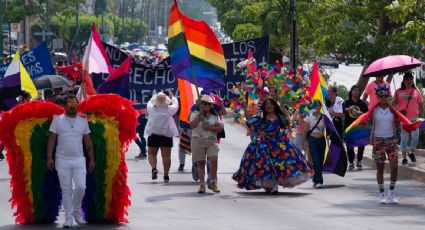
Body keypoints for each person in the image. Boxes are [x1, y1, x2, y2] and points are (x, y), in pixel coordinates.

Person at [233, 98, 312, 194]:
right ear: (264, 107)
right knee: (265, 164)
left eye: (271, 104)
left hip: (279, 143)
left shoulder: (280, 116)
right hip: (265, 143)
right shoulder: (261, 116)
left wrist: (284, 111)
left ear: (274, 106)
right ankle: (270, 185)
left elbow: (288, 123)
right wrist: (259, 132)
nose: (269, 106)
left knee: (283, 163)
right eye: (267, 104)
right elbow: (249, 122)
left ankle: (273, 184)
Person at [46, 94, 95, 228]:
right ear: (65, 106)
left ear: (77, 105)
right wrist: (50, 157)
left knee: (81, 187)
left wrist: (92, 159)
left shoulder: (83, 121)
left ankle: (76, 211)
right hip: (62, 159)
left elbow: (88, 142)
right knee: (66, 189)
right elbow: (52, 139)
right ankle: (68, 218)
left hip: (79, 159)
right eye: (69, 104)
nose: (72, 107)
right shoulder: (57, 120)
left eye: (74, 104)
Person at [371, 87, 399, 204]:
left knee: (394, 167)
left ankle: (391, 192)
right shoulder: (373, 110)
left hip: (391, 140)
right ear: (378, 97)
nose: (384, 98)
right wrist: (371, 137)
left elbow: (398, 122)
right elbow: (371, 124)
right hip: (378, 140)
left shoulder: (393, 110)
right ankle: (382, 193)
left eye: (386, 96)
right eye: (381, 96)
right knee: (380, 168)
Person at [189, 95, 222, 193]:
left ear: (211, 105)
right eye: (204, 103)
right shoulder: (195, 113)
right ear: (200, 104)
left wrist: (209, 128)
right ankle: (202, 184)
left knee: (213, 159)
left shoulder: (214, 116)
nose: (206, 105)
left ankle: (213, 181)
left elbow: (219, 128)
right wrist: (199, 115)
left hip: (211, 141)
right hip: (198, 140)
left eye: (208, 103)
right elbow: (191, 125)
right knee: (201, 163)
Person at [144, 92, 179, 182]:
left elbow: (149, 102)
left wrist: (154, 96)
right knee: (166, 156)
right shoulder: (170, 109)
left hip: (153, 133)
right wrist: (172, 97)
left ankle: (154, 168)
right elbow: (176, 105)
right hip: (166, 134)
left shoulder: (151, 108)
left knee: (151, 153)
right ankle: (166, 175)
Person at [393, 72, 424, 165]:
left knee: (415, 138)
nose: (409, 81)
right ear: (404, 81)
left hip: (414, 119)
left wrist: (423, 118)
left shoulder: (416, 91)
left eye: (411, 79)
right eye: (407, 79)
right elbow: (393, 104)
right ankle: (404, 158)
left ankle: (411, 152)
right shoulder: (398, 91)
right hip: (403, 119)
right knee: (404, 139)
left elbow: (421, 106)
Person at [302, 101, 327, 188]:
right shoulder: (309, 117)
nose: (316, 106)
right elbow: (305, 131)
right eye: (314, 105)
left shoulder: (324, 117)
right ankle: (319, 180)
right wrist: (303, 144)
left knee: (320, 161)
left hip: (322, 140)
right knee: (315, 160)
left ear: (321, 106)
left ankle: (315, 179)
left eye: (318, 105)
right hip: (312, 140)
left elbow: (328, 130)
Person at [344, 85, 368, 170]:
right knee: (349, 145)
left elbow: (367, 114)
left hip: (360, 127)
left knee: (361, 144)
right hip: (349, 126)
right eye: (354, 90)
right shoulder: (346, 102)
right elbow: (341, 111)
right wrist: (348, 109)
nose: (356, 92)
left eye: (358, 90)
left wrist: (361, 113)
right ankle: (351, 161)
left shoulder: (362, 103)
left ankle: (359, 160)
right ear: (351, 92)